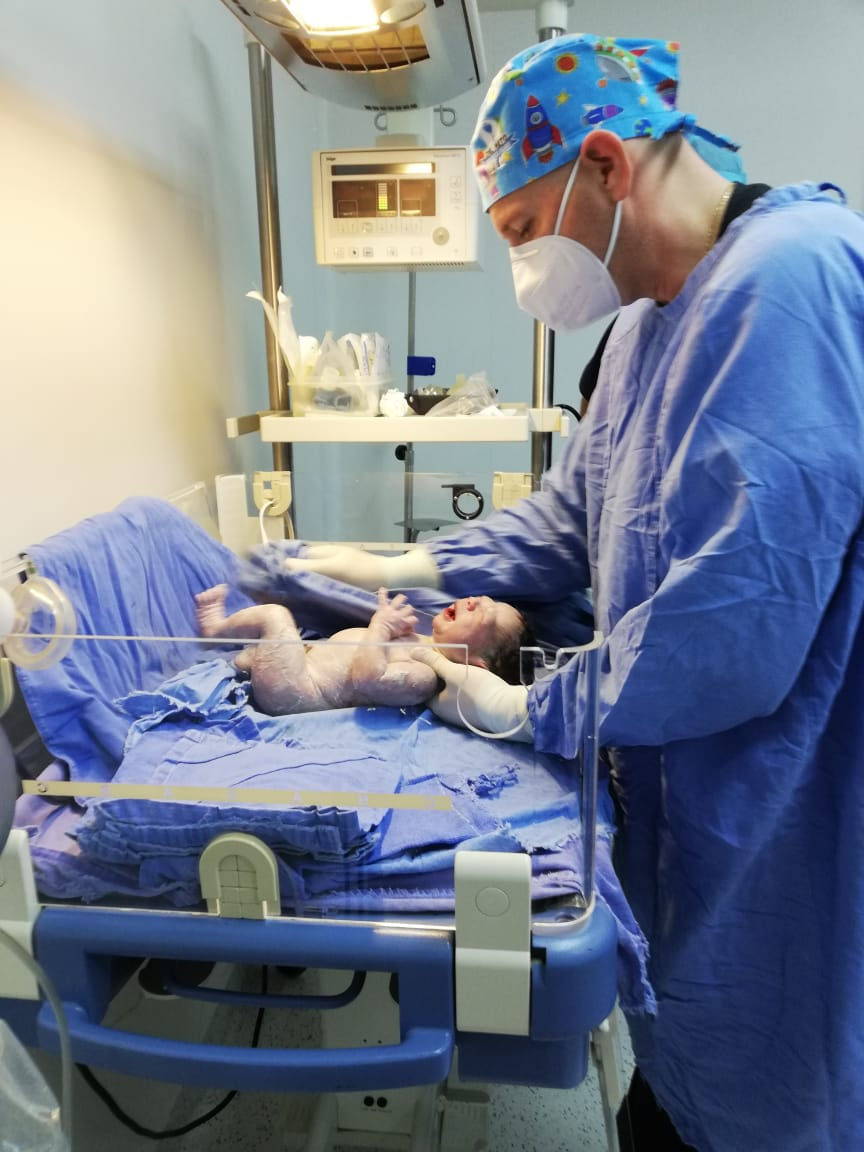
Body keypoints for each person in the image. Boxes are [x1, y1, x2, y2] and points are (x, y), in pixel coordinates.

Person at [276, 32, 864, 1152]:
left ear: (605, 164)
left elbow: (734, 630)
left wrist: (521, 705)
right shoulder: (643, 330)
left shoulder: (790, 282)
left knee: (784, 1073)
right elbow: (568, 522)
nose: (523, 269)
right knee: (688, 1060)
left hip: (786, 797)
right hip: (683, 798)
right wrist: (400, 568)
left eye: (518, 231)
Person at [195, 583, 532, 716]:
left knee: (275, 616)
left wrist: (380, 627)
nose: (472, 600)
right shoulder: (419, 641)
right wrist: (388, 629)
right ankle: (250, 660)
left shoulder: (426, 677)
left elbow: (367, 678)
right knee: (283, 639)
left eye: (483, 614)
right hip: (301, 667)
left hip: (295, 692)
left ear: (476, 663)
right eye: (481, 598)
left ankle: (216, 629)